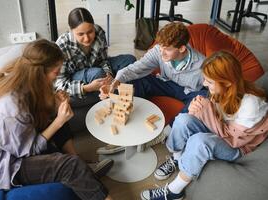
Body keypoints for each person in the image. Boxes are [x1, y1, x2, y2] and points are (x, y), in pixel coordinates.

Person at [0, 39, 113, 200]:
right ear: (40, 73)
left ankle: (82, 168)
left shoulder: (25, 78)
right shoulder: (12, 108)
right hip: (1, 166)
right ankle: (81, 170)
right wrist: (59, 120)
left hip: (15, 145)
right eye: (55, 72)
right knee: (70, 165)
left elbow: (35, 115)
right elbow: (29, 150)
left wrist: (55, 105)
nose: (57, 76)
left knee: (57, 116)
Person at [140, 50, 268, 200]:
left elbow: (234, 141)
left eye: (210, 81)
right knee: (183, 119)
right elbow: (215, 118)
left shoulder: (251, 105)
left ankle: (174, 191)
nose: (204, 84)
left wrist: (206, 112)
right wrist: (198, 111)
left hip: (238, 147)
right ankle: (177, 158)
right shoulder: (222, 90)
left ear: (226, 82)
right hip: (222, 130)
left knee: (199, 141)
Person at [99, 22, 208, 154]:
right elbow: (135, 68)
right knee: (136, 79)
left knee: (201, 99)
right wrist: (115, 82)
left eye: (167, 49)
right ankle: (129, 124)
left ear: (182, 48)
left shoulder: (203, 64)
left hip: (189, 92)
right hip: (166, 83)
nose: (161, 52)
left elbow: (217, 87)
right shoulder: (159, 51)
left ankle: (162, 134)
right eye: (161, 46)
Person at [55, 7, 136, 101]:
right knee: (98, 73)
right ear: (71, 31)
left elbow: (103, 61)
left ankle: (116, 90)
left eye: (90, 32)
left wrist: (108, 74)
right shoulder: (61, 46)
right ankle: (122, 94)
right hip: (76, 78)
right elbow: (59, 85)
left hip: (96, 69)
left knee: (130, 60)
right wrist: (86, 88)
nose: (87, 38)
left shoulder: (99, 32)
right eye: (80, 34)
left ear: (93, 26)